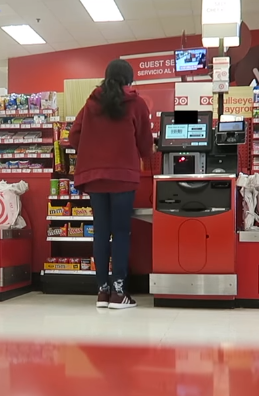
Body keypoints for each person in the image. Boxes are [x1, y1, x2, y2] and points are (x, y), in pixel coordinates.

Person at [69, 59, 154, 310]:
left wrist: (93, 151)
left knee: (101, 232)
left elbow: (74, 136)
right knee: (121, 233)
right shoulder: (136, 104)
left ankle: (102, 292)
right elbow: (146, 145)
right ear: (130, 80)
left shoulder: (91, 102)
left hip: (94, 178)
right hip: (123, 177)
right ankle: (119, 292)